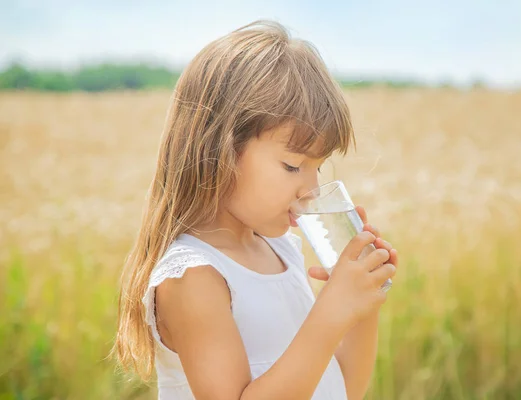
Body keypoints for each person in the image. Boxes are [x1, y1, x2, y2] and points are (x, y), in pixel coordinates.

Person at [112, 19, 397, 400]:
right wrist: (330, 314)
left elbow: (343, 389)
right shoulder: (193, 277)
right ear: (218, 150)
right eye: (293, 165)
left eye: (319, 166)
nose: (310, 189)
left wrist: (361, 306)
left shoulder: (282, 251)